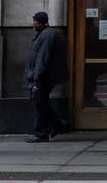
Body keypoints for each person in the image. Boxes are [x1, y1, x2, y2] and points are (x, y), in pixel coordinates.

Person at [24, 10, 70, 142]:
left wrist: (36, 78)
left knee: (39, 103)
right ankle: (58, 124)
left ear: (40, 23)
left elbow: (42, 58)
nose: (33, 23)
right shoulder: (43, 34)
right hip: (42, 76)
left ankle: (40, 133)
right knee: (41, 103)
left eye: (35, 21)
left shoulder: (47, 36)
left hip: (42, 77)